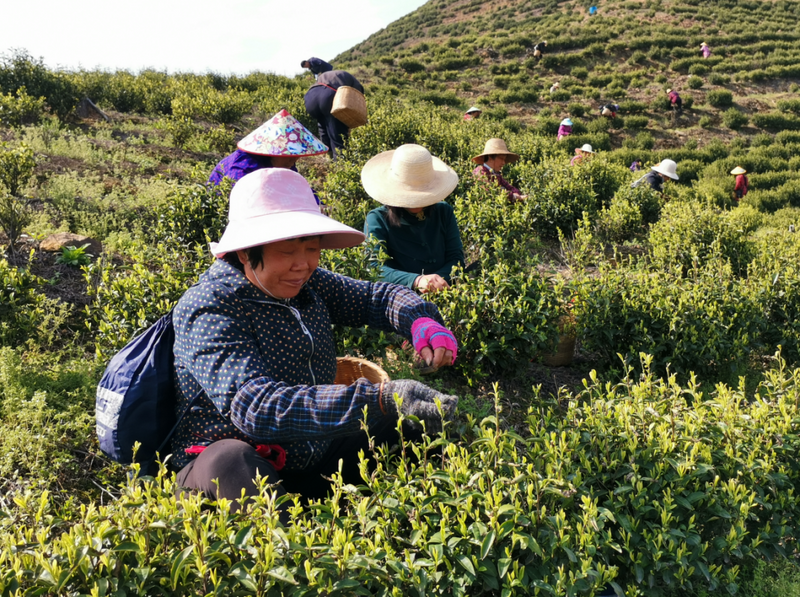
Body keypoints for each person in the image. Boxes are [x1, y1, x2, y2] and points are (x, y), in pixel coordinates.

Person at [172, 167, 459, 515]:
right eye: (286, 251)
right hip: (236, 464)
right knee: (232, 462)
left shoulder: (309, 284)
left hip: (311, 451)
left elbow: (376, 299)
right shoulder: (209, 307)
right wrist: (379, 399)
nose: (303, 264)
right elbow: (256, 408)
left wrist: (422, 320)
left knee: (411, 421)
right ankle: (277, 551)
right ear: (246, 252)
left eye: (311, 248)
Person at [362, 144, 464, 293]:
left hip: (446, 290)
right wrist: (416, 280)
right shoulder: (377, 219)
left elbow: (456, 258)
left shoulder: (444, 211)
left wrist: (436, 281)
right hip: (401, 297)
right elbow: (374, 268)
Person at [208, 109, 328, 188]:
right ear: (273, 153)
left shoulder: (285, 164)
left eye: (295, 159)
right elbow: (238, 197)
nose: (292, 163)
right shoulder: (243, 167)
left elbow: (297, 188)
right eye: (290, 158)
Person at [304, 69, 365, 160]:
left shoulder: (328, 75)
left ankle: (328, 158)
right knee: (337, 133)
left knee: (323, 124)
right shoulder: (355, 83)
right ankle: (340, 165)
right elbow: (356, 97)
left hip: (310, 98)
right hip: (327, 95)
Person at [472, 138, 527, 202]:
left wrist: (516, 193)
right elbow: (490, 191)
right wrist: (514, 196)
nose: (503, 163)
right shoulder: (480, 172)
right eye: (501, 159)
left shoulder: (496, 174)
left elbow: (509, 187)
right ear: (490, 158)